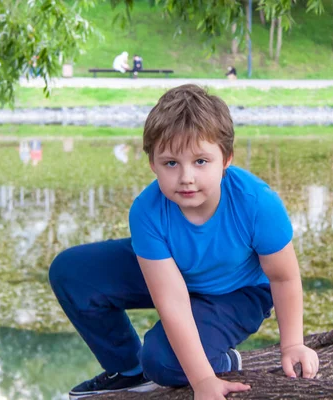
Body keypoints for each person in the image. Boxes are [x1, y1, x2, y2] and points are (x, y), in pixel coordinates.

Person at [49, 84, 319, 400]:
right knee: (72, 273)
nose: (186, 177)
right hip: (174, 273)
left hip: (237, 292)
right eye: (171, 163)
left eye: (201, 161)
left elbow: (283, 277)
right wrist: (203, 380)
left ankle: (223, 359)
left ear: (226, 159)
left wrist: (292, 344)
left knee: (163, 362)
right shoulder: (147, 210)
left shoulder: (257, 203)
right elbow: (172, 300)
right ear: (152, 163)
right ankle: (128, 370)